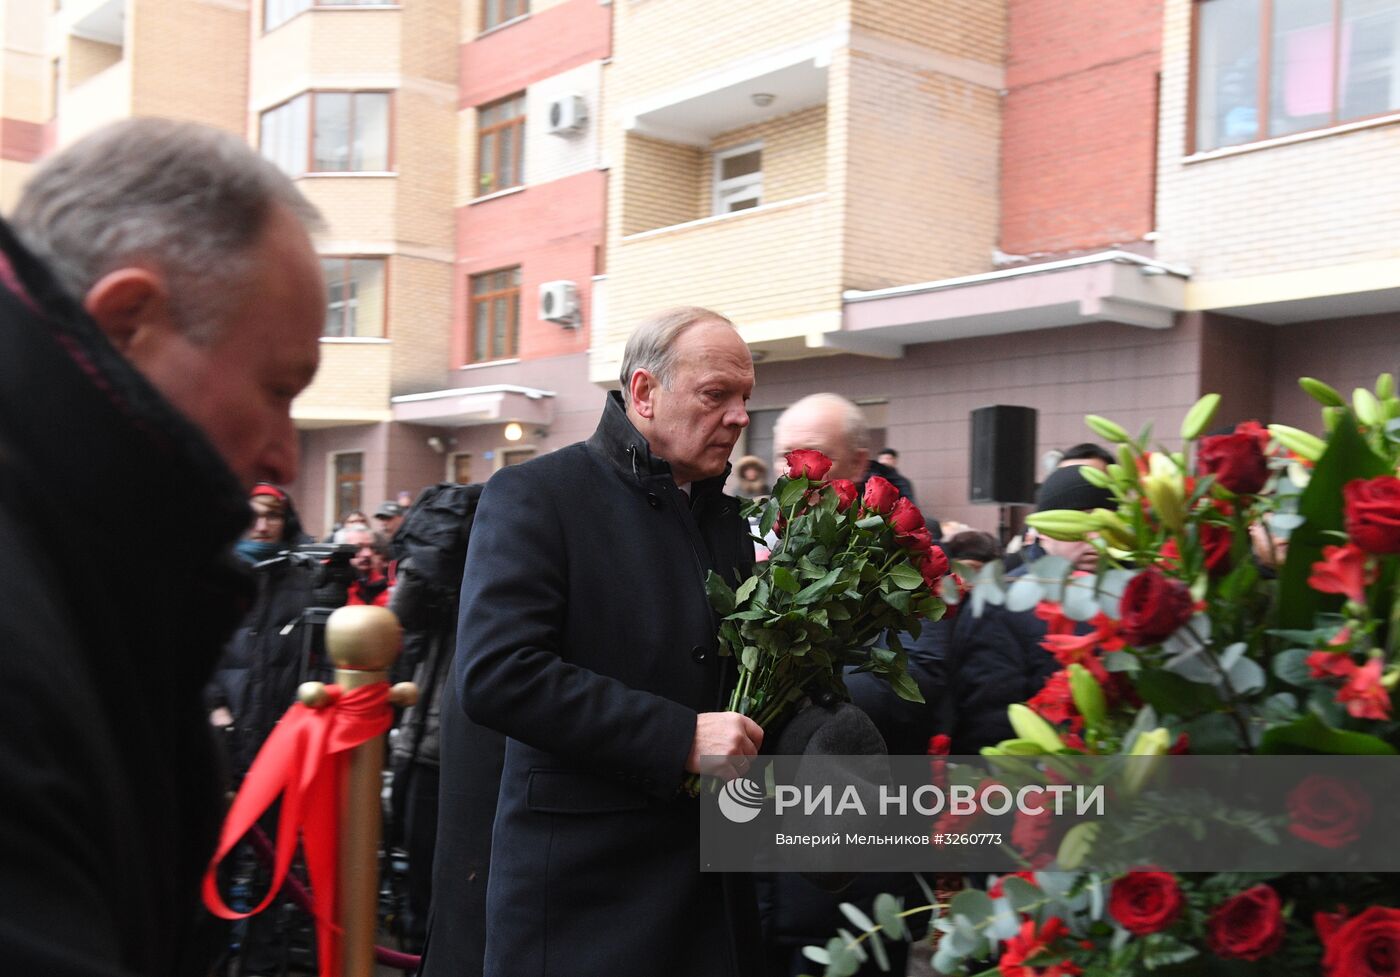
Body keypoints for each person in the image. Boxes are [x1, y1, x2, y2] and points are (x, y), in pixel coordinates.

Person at [0, 118, 323, 977]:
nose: (283, 459)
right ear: (129, 318)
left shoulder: (101, 558)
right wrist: (672, 740)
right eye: (278, 388)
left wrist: (736, 831)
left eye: (736, 400)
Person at [423, 307, 763, 977]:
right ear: (643, 392)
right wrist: (677, 738)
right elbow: (498, 673)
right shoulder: (536, 494)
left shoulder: (725, 520)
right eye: (716, 394)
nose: (740, 416)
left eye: (746, 397)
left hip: (707, 896)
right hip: (582, 899)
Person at [762, 394, 946, 977]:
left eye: (810, 457)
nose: (793, 473)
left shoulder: (908, 552)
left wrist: (785, 697)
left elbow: (916, 681)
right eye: (781, 458)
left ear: (860, 463)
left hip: (848, 857)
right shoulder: (752, 538)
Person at [944, 465, 1114, 753]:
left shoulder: (1125, 594)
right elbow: (989, 721)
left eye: (1106, 525)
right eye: (1078, 524)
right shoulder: (1001, 600)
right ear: (1044, 531)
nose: (1095, 539)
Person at [344, 527, 392, 606]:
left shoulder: (384, 584)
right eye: (358, 548)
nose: (368, 553)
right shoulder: (326, 581)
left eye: (371, 547)